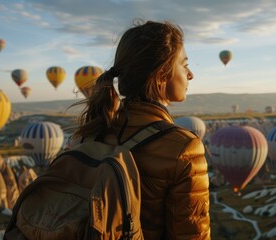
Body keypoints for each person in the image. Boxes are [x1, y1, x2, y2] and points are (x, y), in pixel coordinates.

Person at [72, 19, 211, 240]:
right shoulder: (183, 147)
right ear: (163, 74)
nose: (191, 74)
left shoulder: (89, 132)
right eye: (184, 65)